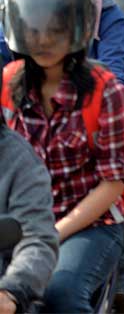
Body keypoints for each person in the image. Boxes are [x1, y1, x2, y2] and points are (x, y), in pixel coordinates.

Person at [0, 0, 124, 312]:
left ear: (76, 31)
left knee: (59, 292)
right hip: (19, 221)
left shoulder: (103, 89)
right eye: (35, 30)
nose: (44, 40)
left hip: (88, 226)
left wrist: (53, 232)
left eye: (56, 30)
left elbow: (113, 184)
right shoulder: (8, 82)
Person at [0, 111, 58, 314]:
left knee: (68, 292)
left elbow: (36, 238)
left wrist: (10, 291)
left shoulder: (17, 158)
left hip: (7, 283)